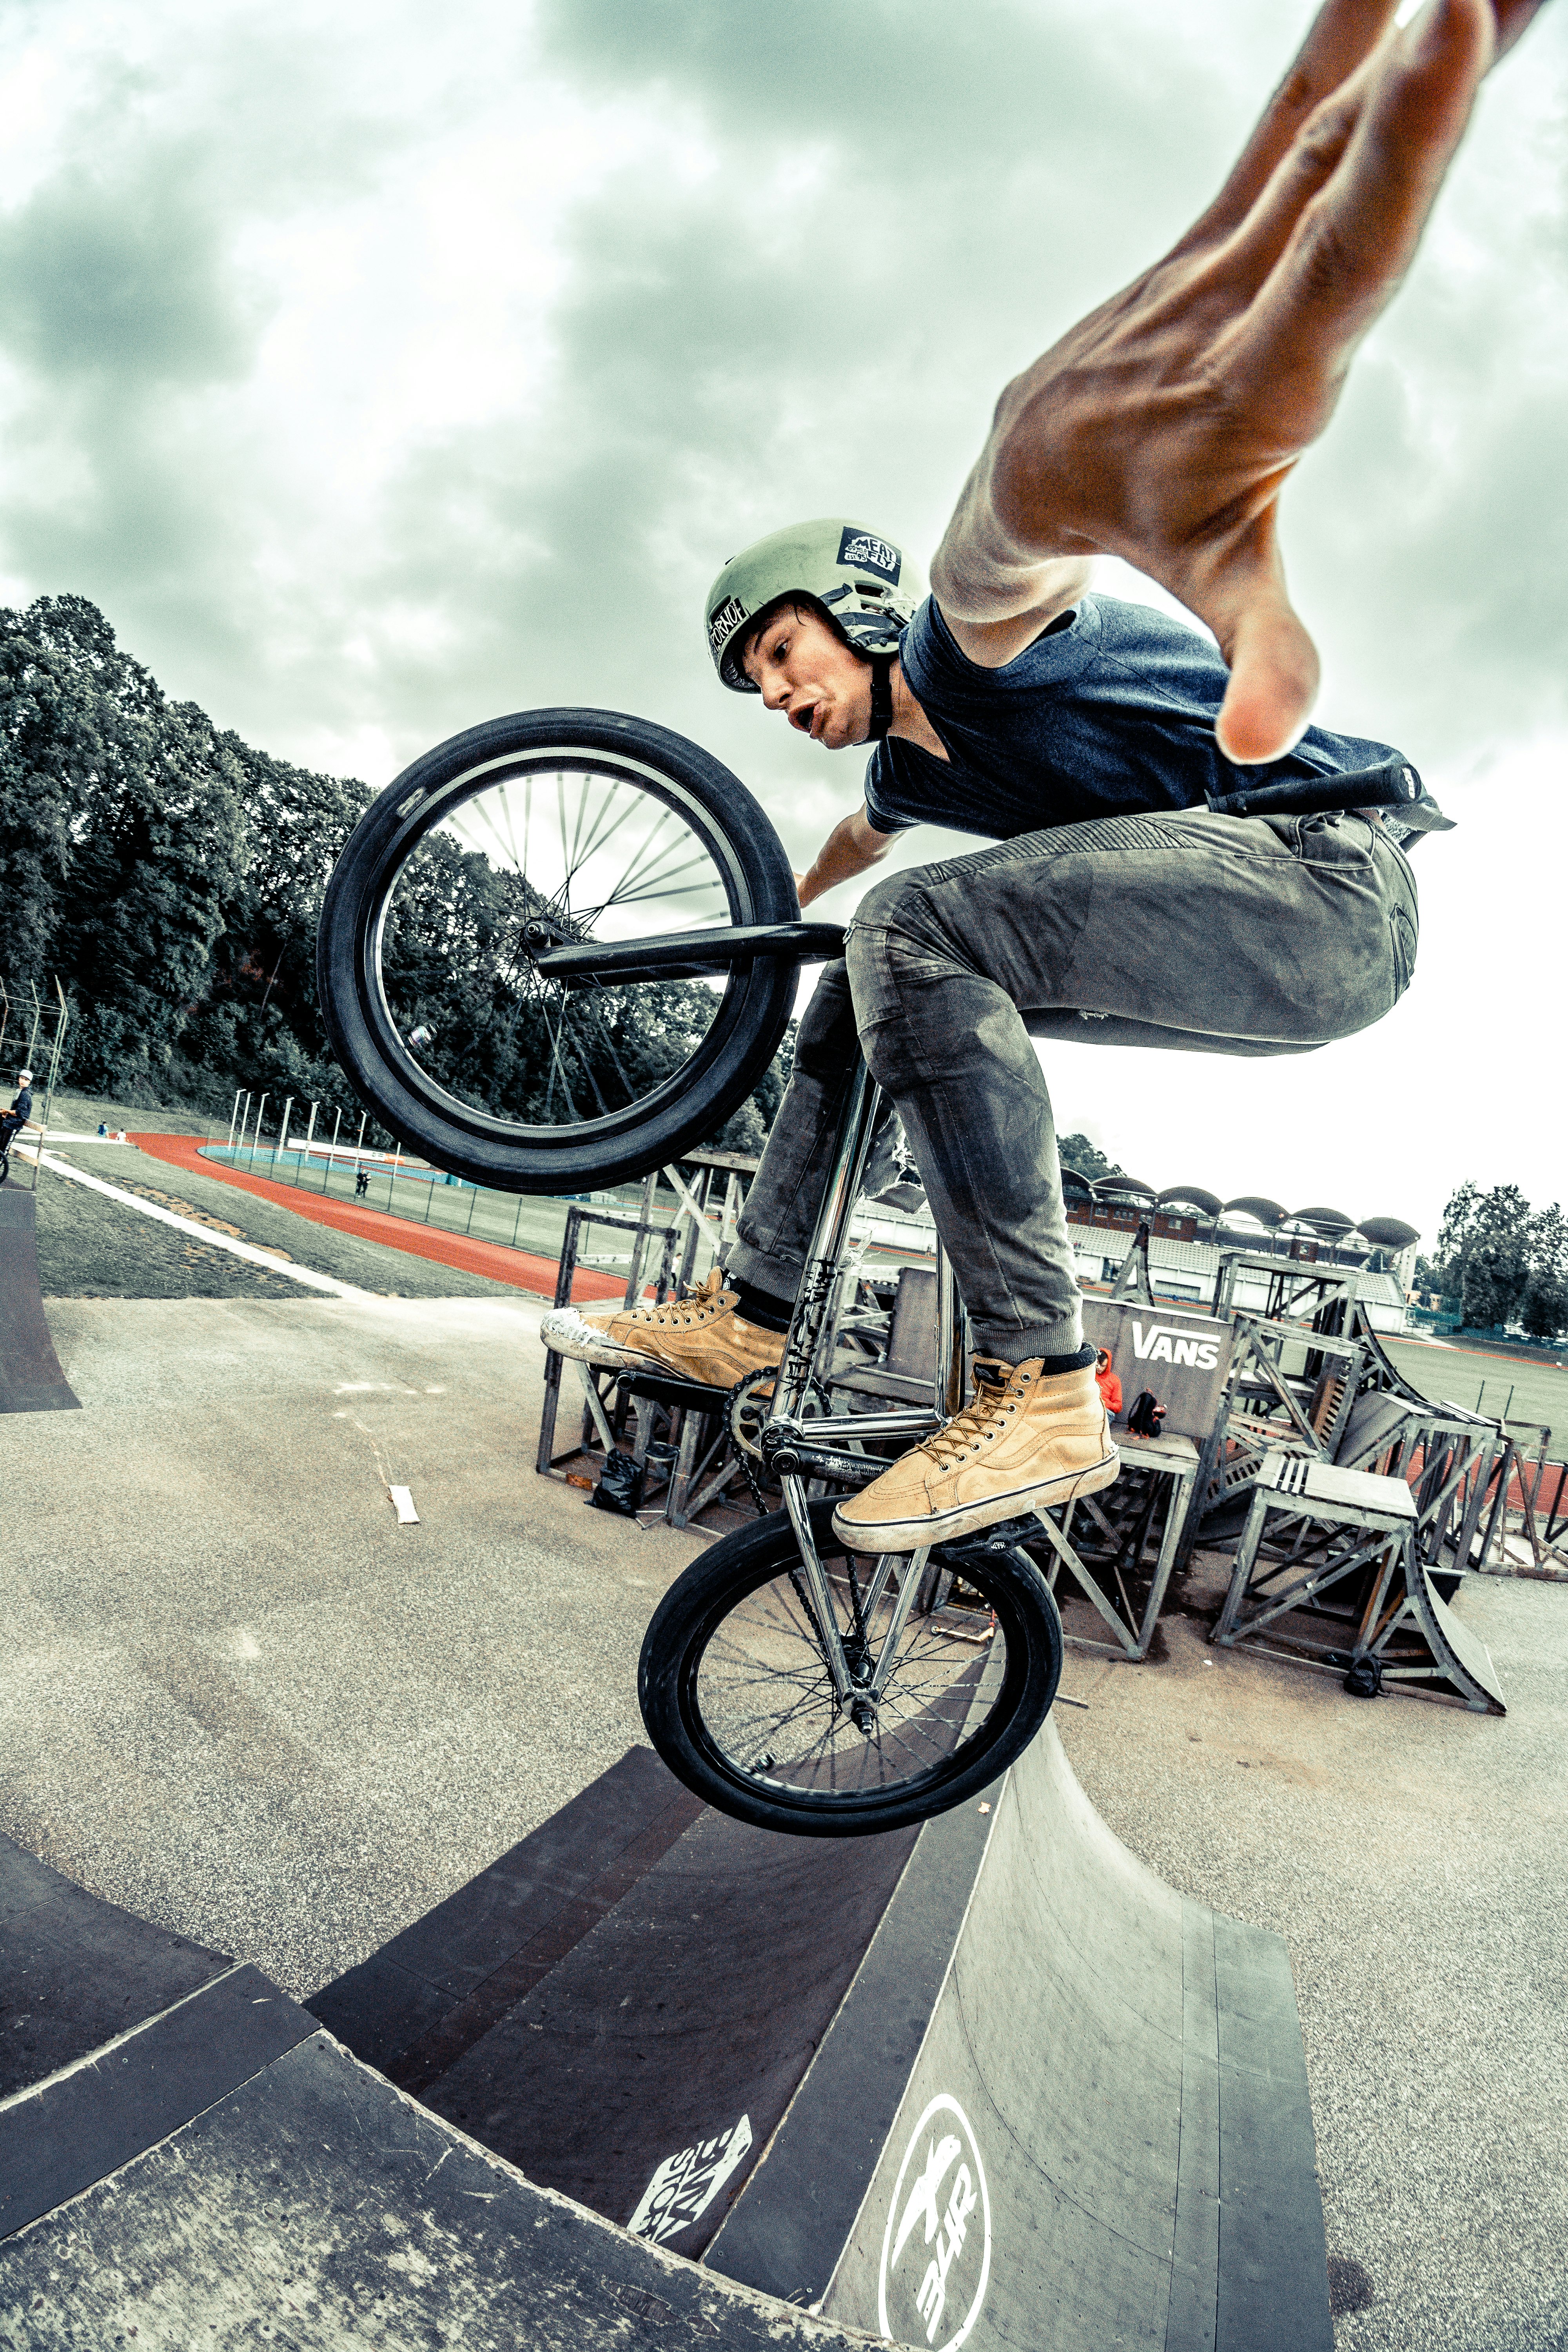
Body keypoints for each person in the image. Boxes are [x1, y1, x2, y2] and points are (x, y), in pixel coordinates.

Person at [543, 0, 1545, 1552]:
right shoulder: (912, 773)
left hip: (1322, 879)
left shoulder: (968, 639)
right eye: (756, 688)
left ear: (860, 608)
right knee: (854, 964)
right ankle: (754, 1304)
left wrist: (1016, 475)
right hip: (1257, 934)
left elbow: (999, 565)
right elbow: (831, 855)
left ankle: (1041, 1384)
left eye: (788, 653)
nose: (781, 694)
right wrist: (728, 916)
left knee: (912, 933)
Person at [0, 1071, 36, 1159]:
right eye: (22, 1078)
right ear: (19, 1078)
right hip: (9, 1122)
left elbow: (20, 1113)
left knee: (4, 1150)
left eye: (26, 1080)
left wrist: (7, 1111)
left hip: (14, 1126)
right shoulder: (21, 1091)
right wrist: (6, 1114)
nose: (23, 1081)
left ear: (29, 1082)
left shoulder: (26, 1095)